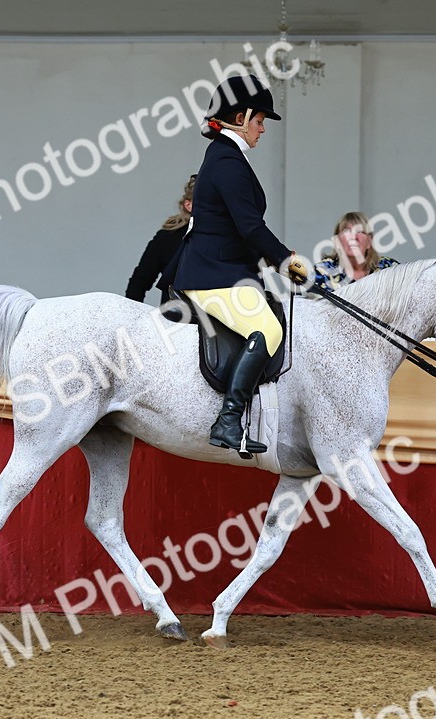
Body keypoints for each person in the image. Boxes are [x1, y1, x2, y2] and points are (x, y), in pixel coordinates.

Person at [169, 73, 310, 457]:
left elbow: (242, 229)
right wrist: (289, 263)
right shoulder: (228, 160)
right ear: (239, 116)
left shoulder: (226, 156)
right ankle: (228, 419)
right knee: (268, 329)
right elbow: (250, 228)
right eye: (259, 120)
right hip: (211, 275)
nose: (262, 129)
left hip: (225, 270)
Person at [125, 175, 196, 305]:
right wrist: (132, 320)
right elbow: (140, 281)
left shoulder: (232, 234)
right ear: (188, 204)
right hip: (176, 320)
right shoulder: (167, 237)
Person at [312, 211, 400, 292]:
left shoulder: (389, 268)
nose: (353, 237)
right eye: (346, 231)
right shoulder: (323, 272)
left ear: (369, 241)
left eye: (360, 231)